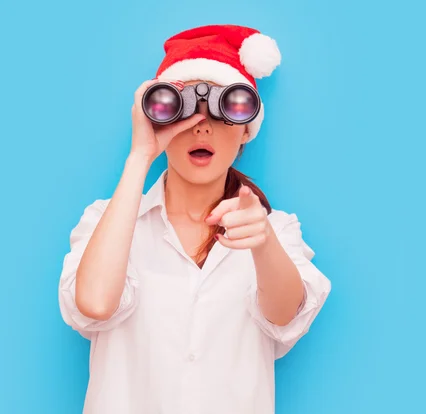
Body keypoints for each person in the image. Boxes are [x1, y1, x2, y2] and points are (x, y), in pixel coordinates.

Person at [58, 24, 331, 414]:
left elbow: (284, 315)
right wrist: (141, 155)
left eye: (226, 108)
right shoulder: (108, 221)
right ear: (160, 115)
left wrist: (263, 241)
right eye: (182, 107)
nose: (202, 125)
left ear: (245, 132)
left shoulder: (277, 229)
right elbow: (94, 304)